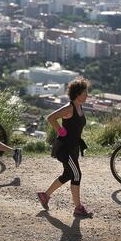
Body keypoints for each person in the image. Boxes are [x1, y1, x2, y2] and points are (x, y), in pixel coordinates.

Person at [37, 78, 92, 217]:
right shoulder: (69, 108)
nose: (87, 95)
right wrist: (60, 130)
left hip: (72, 148)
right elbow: (51, 118)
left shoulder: (80, 106)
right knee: (77, 174)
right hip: (65, 149)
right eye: (85, 92)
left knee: (68, 174)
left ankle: (45, 195)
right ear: (78, 93)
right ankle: (78, 208)